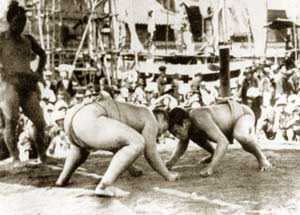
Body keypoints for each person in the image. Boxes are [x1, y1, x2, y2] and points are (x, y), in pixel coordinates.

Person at [55, 98, 179, 197]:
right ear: (161, 117)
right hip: (90, 117)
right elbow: (150, 152)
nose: (161, 133)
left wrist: (132, 169)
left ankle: (62, 179)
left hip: (75, 118)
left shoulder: (133, 114)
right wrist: (167, 175)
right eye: (164, 128)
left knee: (80, 148)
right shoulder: (150, 117)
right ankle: (104, 186)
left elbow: (118, 146)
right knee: (138, 142)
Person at [153, 99, 271, 177]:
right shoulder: (187, 121)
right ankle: (213, 153)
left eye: (176, 131)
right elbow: (183, 142)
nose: (177, 136)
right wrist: (171, 162)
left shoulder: (199, 117)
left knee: (240, 135)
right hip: (229, 122)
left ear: (184, 123)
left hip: (242, 114)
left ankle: (262, 158)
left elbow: (223, 142)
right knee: (192, 134)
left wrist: (211, 168)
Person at [0, 1, 47, 165]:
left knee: (40, 122)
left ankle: (42, 155)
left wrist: (39, 72)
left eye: (23, 22)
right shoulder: (1, 39)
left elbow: (42, 54)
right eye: (17, 22)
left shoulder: (28, 39)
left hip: (28, 83)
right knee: (11, 120)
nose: (21, 25)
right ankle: (15, 158)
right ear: (10, 20)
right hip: (9, 84)